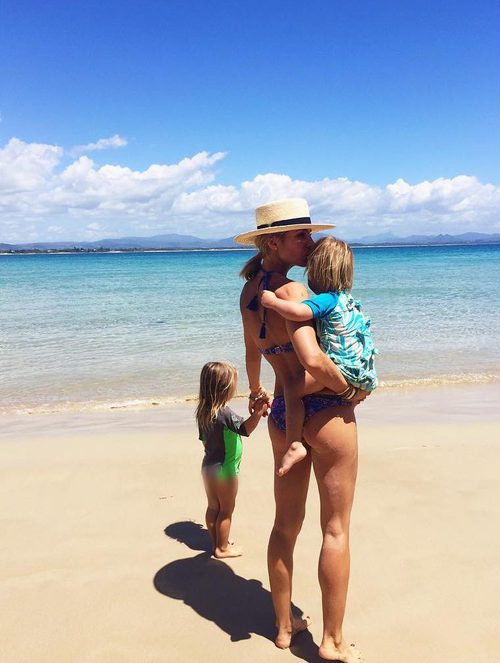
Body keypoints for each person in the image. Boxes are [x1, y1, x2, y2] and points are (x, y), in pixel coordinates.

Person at [235, 198, 365, 662]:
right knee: (335, 530)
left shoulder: (250, 292)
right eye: (299, 236)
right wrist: (351, 386)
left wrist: (254, 390)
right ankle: (332, 641)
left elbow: (254, 352)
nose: (308, 243)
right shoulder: (292, 294)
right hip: (324, 410)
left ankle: (284, 628)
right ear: (274, 242)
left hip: (282, 417)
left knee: (285, 525)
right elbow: (311, 360)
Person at [261, 236, 378, 476]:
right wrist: (352, 391)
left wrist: (273, 302)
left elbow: (299, 313)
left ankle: (294, 443)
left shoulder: (325, 300)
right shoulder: (349, 302)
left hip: (338, 374)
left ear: (318, 270)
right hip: (360, 374)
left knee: (293, 388)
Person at [195, 361, 268, 559]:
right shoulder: (225, 413)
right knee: (226, 510)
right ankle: (222, 548)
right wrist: (259, 413)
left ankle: (218, 540)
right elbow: (245, 429)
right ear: (224, 389)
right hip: (226, 471)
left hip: (208, 468)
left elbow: (204, 442)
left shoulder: (203, 413)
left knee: (213, 507)